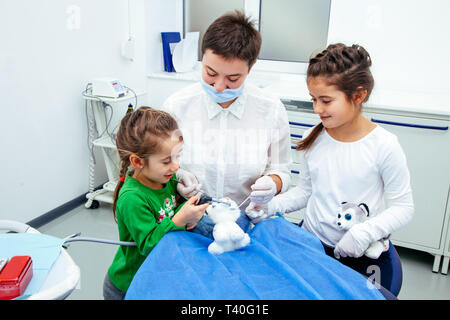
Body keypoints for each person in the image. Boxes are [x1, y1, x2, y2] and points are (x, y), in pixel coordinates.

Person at [245, 43, 414, 295]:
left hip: (361, 254)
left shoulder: (384, 146)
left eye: (326, 101)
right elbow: (305, 192)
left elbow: (404, 207)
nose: (317, 109)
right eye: (313, 99)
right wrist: (270, 207)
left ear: (358, 96)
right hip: (311, 245)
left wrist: (363, 233)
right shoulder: (314, 139)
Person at [163, 10, 291, 237]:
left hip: (248, 225)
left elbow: (281, 170)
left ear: (250, 69)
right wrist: (179, 175)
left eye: (233, 79)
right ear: (202, 58)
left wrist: (273, 183)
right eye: (210, 72)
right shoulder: (176, 107)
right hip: (188, 223)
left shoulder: (270, 109)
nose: (219, 86)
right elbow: (159, 163)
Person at [103, 107, 209, 300]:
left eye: (178, 156)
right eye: (167, 161)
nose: (176, 166)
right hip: (129, 285)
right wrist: (179, 219)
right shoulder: (132, 198)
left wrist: (187, 206)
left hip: (154, 276)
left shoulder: (163, 180)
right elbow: (149, 245)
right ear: (137, 161)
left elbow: (167, 211)